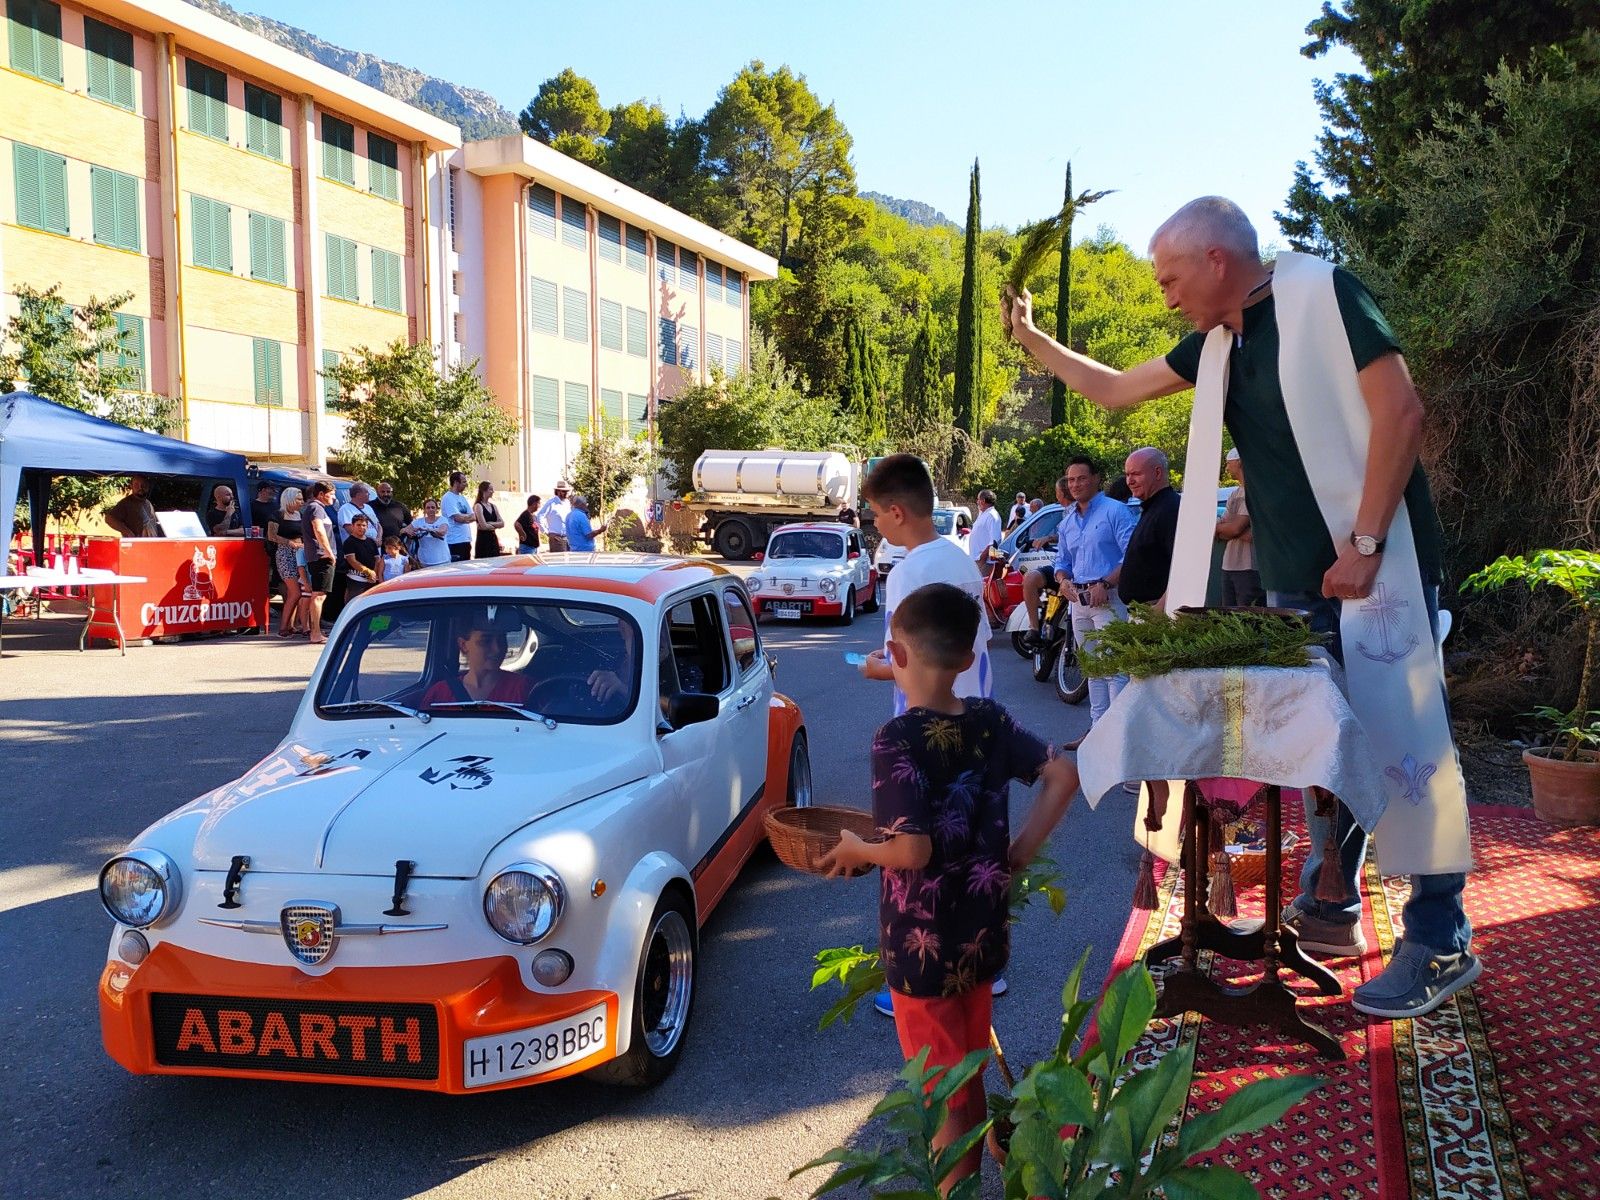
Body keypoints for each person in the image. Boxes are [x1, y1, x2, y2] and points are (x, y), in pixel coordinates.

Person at [1003, 195, 1474, 1020]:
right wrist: (1032, 339)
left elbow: (1401, 412)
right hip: (1300, 582)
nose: (1163, 294)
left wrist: (1362, 546)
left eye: (1170, 277)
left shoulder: (1327, 296)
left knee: (1406, 737)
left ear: (1217, 261)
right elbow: (1116, 391)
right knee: (1324, 740)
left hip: (1377, 565)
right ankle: (1334, 901)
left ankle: (1441, 938)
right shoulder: (1221, 342)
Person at [820, 582, 1079, 1194]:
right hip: (982, 934)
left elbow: (910, 850)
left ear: (895, 655)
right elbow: (1062, 774)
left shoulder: (897, 738)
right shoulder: (989, 718)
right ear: (968, 660)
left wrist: (859, 849)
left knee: (942, 1095)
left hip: (922, 949)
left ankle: (957, 1188)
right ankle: (985, 1170)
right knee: (967, 1068)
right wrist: (1018, 855)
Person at [856, 453, 1000, 1014]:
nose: (874, 526)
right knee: (968, 844)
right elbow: (967, 648)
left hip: (924, 729)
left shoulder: (912, 570)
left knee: (918, 853)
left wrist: (878, 668)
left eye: (874, 516)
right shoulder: (958, 557)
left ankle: (922, 978)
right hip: (973, 712)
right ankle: (980, 968)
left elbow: (914, 662)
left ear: (896, 512)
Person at [1023, 459, 1136, 745]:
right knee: (1093, 669)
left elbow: (1130, 555)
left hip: (1108, 598)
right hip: (1079, 601)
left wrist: (1107, 583)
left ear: (1096, 479)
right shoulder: (1068, 519)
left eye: (1081, 479)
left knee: (1114, 670)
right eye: (1071, 479)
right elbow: (1063, 561)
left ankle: (1119, 739)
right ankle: (1097, 735)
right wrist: (1062, 580)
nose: (1075, 484)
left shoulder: (1115, 511)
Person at [421, 611, 533, 706]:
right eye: (486, 641)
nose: (497, 649)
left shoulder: (524, 689)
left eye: (502, 639)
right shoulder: (439, 694)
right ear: (463, 645)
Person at [1118, 447, 1182, 609]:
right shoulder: (1152, 508)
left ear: (1158, 473)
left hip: (1156, 614)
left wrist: (1158, 610)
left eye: (1136, 474)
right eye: (1127, 475)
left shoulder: (1170, 509)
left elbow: (1182, 567)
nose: (1129, 481)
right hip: (1143, 612)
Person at [1217, 448, 1264, 606]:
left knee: (1247, 619)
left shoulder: (1252, 492)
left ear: (1239, 462)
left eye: (1229, 463)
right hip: (1228, 566)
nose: (1227, 467)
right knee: (1228, 618)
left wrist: (1229, 528)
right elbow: (1224, 531)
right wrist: (1229, 529)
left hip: (1248, 568)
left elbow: (1234, 529)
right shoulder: (1234, 494)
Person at [300, 480, 337, 644]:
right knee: (319, 595)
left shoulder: (316, 508)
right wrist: (328, 551)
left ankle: (315, 631)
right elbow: (318, 529)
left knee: (318, 594)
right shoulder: (316, 508)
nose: (334, 498)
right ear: (321, 494)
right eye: (331, 494)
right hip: (321, 556)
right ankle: (315, 633)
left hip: (318, 555)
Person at [268, 487, 305, 638]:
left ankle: (292, 625)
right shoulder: (278, 514)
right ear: (289, 499)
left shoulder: (300, 515)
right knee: (294, 591)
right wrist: (289, 543)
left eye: (302, 499)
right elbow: (271, 536)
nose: (301, 502)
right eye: (298, 499)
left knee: (296, 592)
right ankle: (283, 627)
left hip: (300, 553)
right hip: (284, 553)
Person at [342, 513, 380, 601]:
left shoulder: (371, 541)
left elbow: (377, 559)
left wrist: (374, 574)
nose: (361, 527)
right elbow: (352, 561)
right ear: (353, 526)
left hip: (372, 580)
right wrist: (368, 572)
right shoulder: (349, 542)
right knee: (353, 605)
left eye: (364, 525)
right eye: (358, 525)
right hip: (356, 580)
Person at [441, 471, 475, 561]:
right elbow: (458, 518)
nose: (466, 484)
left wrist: (465, 517)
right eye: (463, 482)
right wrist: (466, 517)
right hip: (455, 541)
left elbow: (474, 516)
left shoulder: (462, 498)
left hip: (465, 540)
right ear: (456, 482)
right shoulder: (448, 498)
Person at [409, 498, 451, 568]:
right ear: (424, 510)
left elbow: (442, 532)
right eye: (428, 508)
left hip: (443, 560)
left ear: (436, 509)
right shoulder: (418, 522)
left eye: (433, 507)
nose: (430, 509)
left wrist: (426, 529)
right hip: (424, 562)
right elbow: (404, 530)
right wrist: (411, 532)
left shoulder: (443, 520)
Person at [337, 484, 381, 551]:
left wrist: (379, 538)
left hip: (375, 548)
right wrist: (371, 541)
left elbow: (378, 525)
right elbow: (351, 530)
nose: (369, 494)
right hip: (359, 549)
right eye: (366, 492)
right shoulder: (345, 509)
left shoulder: (368, 507)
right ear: (358, 495)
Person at [966, 489, 1002, 565]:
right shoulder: (983, 513)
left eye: (978, 499)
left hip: (985, 562)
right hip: (977, 559)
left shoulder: (992, 516)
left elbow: (994, 543)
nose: (977, 502)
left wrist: (982, 558)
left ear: (983, 501)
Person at [473, 481, 505, 558]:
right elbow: (483, 526)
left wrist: (490, 523)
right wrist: (496, 525)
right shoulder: (478, 506)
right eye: (490, 489)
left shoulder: (493, 506)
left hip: (493, 540)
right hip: (483, 541)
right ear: (484, 491)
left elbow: (502, 523)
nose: (493, 492)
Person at [539, 481, 573, 552]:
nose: (566, 493)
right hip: (556, 538)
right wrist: (546, 531)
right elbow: (540, 516)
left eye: (567, 491)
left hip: (568, 538)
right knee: (560, 560)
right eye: (564, 491)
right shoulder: (551, 503)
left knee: (569, 561)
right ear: (558, 491)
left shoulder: (567, 503)